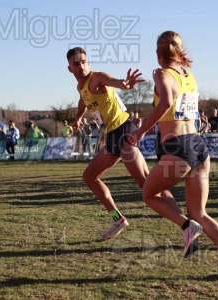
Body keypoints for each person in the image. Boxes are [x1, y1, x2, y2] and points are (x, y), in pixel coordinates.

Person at [128, 31, 218, 278]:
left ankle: (185, 225)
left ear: (158, 54)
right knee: (199, 212)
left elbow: (164, 104)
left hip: (178, 149)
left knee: (148, 193)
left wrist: (140, 131)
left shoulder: (162, 74)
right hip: (198, 148)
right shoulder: (188, 75)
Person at [66, 46, 185, 244]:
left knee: (146, 183)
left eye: (84, 62)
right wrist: (78, 119)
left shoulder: (97, 77)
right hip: (112, 136)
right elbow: (82, 102)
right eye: (76, 64)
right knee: (89, 177)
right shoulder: (81, 87)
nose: (81, 66)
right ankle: (117, 219)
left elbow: (116, 82)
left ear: (89, 63)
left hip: (124, 130)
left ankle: (186, 223)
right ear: (70, 68)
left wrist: (126, 84)